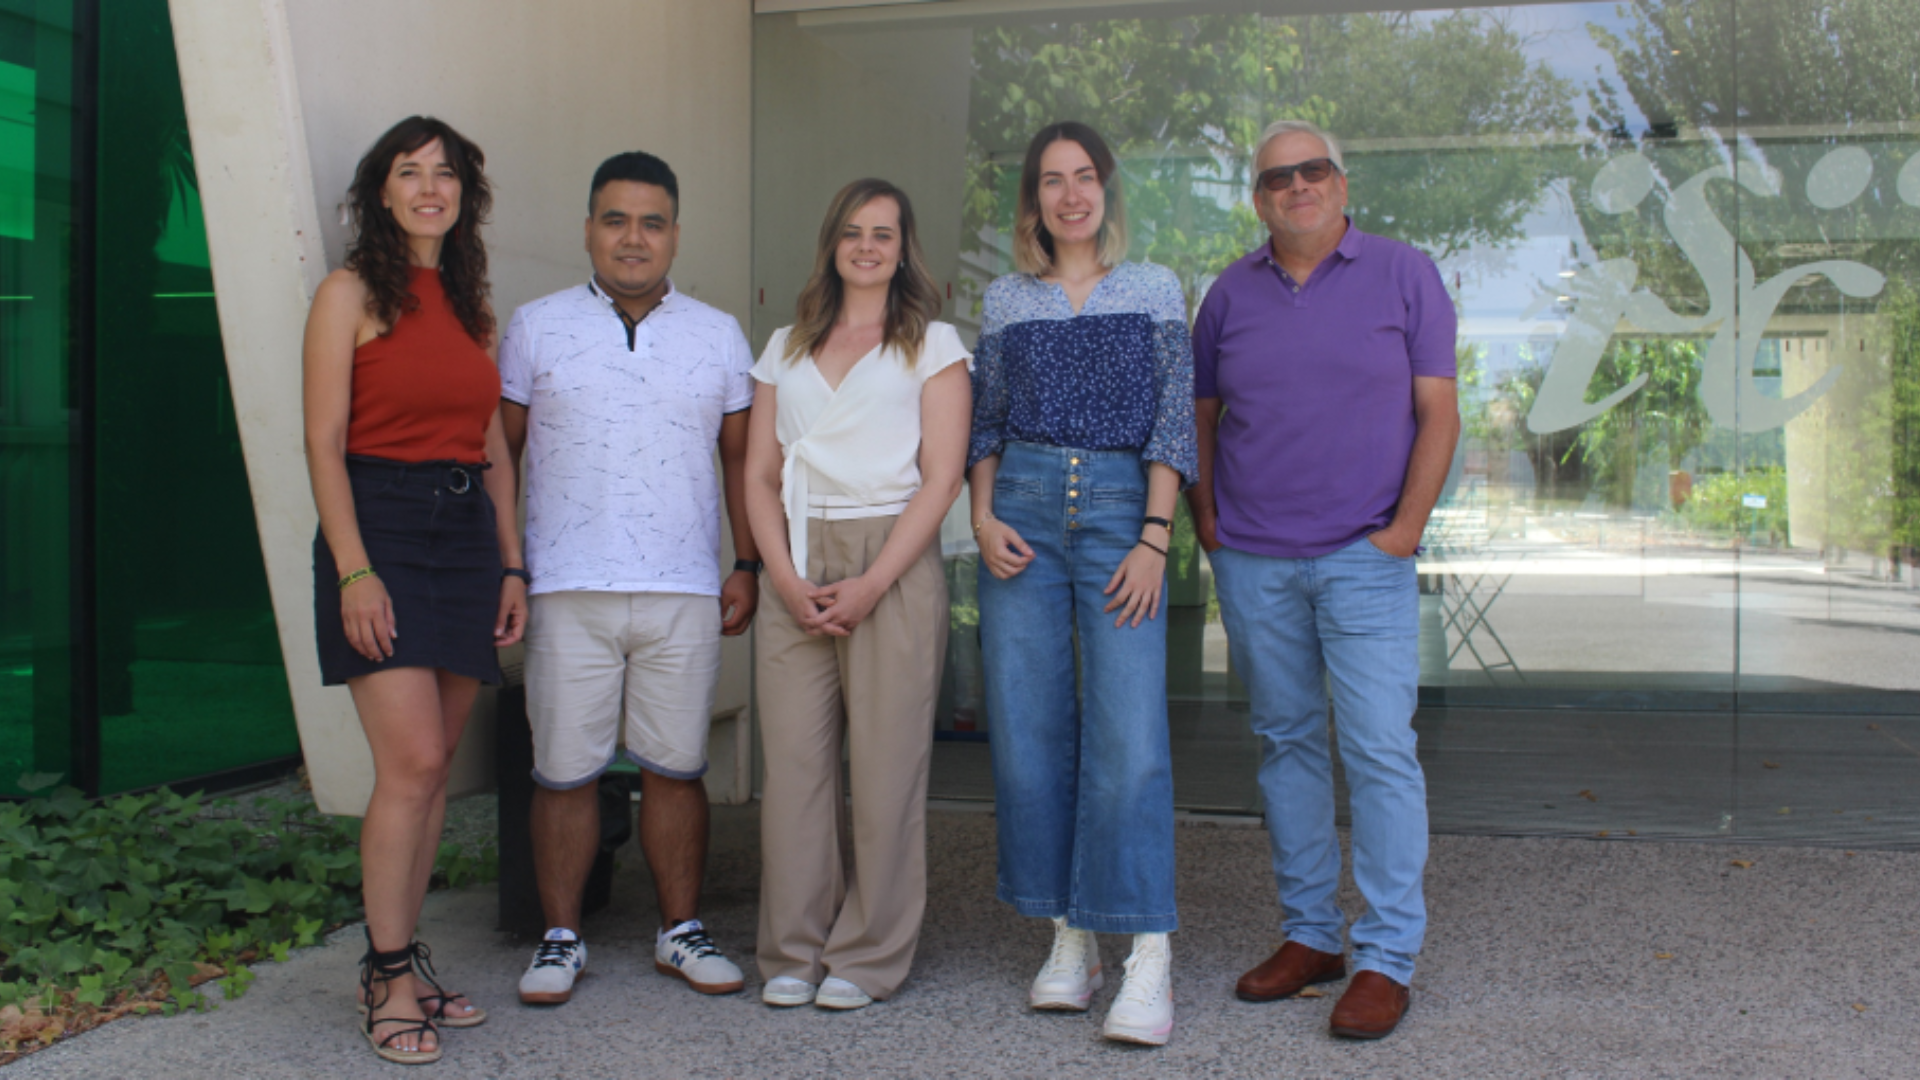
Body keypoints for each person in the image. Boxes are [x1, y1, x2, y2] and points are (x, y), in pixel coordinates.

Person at [1187, 118, 1460, 1041]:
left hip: (1363, 558)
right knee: (1287, 745)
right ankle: (1310, 935)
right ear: (1257, 199)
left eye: (1313, 171)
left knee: (1380, 750)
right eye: (1277, 178)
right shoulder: (1228, 294)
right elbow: (1201, 417)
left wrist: (1404, 531)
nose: (1296, 186)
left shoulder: (1404, 274)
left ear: (1342, 183)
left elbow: (1439, 413)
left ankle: (1386, 957)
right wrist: (1210, 523)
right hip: (1256, 560)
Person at [500, 151, 761, 1007]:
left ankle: (679, 931)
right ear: (588, 230)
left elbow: (741, 463)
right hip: (564, 584)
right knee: (563, 771)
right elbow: (499, 455)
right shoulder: (536, 326)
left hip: (683, 587)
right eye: (615, 220)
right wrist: (508, 567)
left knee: (676, 767)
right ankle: (560, 938)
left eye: (652, 222)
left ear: (675, 234)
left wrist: (746, 563)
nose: (633, 238)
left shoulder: (718, 334)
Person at [968, 121, 1197, 1047]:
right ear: (1034, 199)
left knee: (1129, 737)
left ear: (1107, 189)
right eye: (1053, 180)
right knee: (1029, 733)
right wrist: (981, 516)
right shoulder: (1006, 299)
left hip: (1119, 516)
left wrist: (1153, 537)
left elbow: (1174, 421)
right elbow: (986, 420)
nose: (1071, 195)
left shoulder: (1153, 289)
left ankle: (1148, 952)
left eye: (1086, 177)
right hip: (1020, 511)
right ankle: (1071, 937)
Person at [303, 115, 525, 1066]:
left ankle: (402, 960)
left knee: (436, 774)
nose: (430, 188)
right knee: (413, 762)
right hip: (381, 529)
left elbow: (493, 450)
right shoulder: (348, 293)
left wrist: (511, 565)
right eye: (410, 171)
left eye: (446, 174)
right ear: (381, 192)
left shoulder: (474, 307)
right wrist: (355, 569)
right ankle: (387, 975)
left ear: (464, 197)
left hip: (465, 537)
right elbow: (322, 443)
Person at [745, 178, 971, 1011]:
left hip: (891, 558)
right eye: (852, 231)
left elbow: (942, 478)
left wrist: (874, 582)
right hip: (796, 557)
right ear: (831, 244)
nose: (867, 246)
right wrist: (782, 576)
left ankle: (869, 955)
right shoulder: (785, 345)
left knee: (884, 774)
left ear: (905, 249)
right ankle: (794, 950)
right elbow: (758, 474)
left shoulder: (932, 345)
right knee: (795, 775)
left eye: (883, 233)